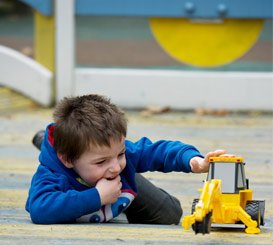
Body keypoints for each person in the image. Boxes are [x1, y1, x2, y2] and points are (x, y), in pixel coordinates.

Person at [26, 94, 226, 225]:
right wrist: (96, 197)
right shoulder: (51, 175)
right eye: (101, 161)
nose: (115, 166)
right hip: (77, 174)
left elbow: (160, 150)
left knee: (169, 214)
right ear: (68, 159)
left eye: (120, 153)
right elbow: (40, 208)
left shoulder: (119, 161)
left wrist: (194, 161)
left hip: (121, 186)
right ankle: (46, 140)